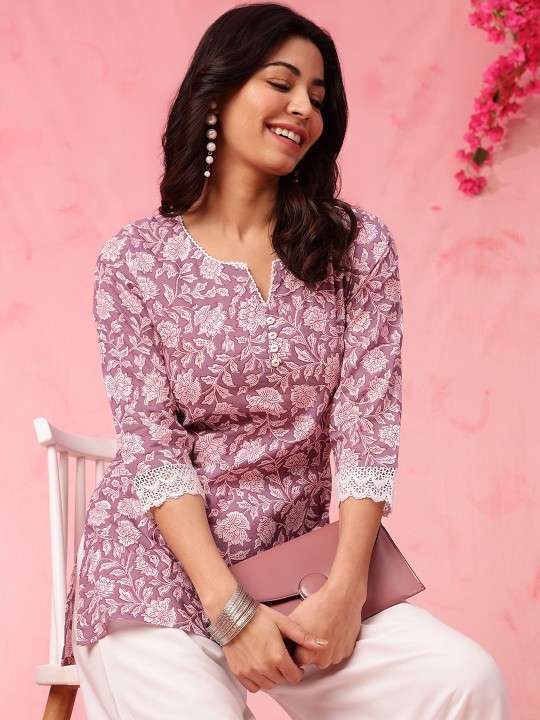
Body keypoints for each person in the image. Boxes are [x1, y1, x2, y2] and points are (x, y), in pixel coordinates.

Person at [62, 3, 510, 718]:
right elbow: (153, 448)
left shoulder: (356, 249)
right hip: (156, 575)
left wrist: (347, 589)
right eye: (281, 83)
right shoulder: (135, 260)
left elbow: (367, 428)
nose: (304, 108)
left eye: (319, 97)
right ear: (217, 92)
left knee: (464, 679)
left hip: (295, 572)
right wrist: (228, 610)